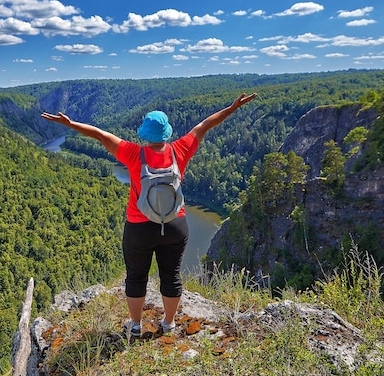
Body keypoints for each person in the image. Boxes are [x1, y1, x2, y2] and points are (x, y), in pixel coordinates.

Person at [41, 92, 257, 337]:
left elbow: (100, 134)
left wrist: (70, 125)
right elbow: (205, 124)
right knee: (171, 276)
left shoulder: (133, 153)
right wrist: (231, 108)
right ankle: (168, 323)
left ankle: (135, 326)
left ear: (145, 133)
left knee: (136, 277)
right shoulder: (180, 150)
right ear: (167, 133)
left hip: (139, 227)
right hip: (175, 224)